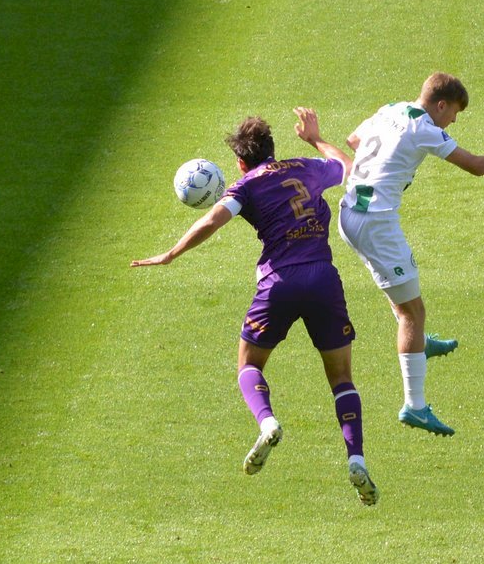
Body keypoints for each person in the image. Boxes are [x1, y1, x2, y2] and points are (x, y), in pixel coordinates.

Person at [132, 108, 378, 505]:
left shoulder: (244, 187)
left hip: (278, 283)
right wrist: (315, 138)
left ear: (240, 161)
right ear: (272, 148)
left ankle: (267, 422)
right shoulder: (306, 167)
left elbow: (212, 221)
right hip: (324, 279)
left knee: (249, 363)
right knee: (341, 378)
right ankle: (356, 459)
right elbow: (347, 167)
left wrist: (171, 253)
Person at [338, 73, 484, 437]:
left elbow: (354, 141)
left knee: (401, 293)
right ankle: (415, 406)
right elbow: (476, 166)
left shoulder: (391, 108)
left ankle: (419, 342)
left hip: (349, 213)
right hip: (377, 224)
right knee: (413, 312)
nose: (453, 121)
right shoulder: (425, 129)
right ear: (440, 104)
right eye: (454, 113)